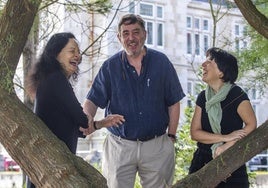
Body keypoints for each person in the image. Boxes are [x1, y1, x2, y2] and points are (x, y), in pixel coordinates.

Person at [83, 14, 185, 188]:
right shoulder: (110, 67)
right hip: (120, 147)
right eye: (126, 33)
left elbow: (173, 102)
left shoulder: (161, 63)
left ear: (145, 34)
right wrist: (86, 117)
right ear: (119, 38)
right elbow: (92, 101)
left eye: (136, 32)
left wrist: (171, 137)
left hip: (157, 146)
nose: (131, 38)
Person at [26, 32, 125, 188]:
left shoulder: (51, 79)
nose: (78, 56)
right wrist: (87, 119)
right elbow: (81, 119)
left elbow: (74, 126)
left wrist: (101, 123)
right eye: (72, 51)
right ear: (55, 54)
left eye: (78, 52)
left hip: (49, 164)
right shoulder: (56, 79)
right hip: (50, 165)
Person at [189, 47, 257, 187]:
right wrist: (225, 138)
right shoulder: (203, 97)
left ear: (221, 72)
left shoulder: (237, 95)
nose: (203, 64)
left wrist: (227, 145)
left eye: (209, 61)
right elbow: (195, 133)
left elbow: (251, 125)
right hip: (202, 162)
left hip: (232, 161)